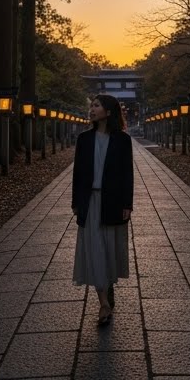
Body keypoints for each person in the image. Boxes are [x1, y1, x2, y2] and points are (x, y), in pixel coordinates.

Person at [71, 94, 134, 327]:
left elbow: (128, 174)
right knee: (94, 248)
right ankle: (103, 304)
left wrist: (128, 204)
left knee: (109, 249)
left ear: (108, 111)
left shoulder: (122, 140)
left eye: (97, 106)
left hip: (113, 201)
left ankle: (108, 287)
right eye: (91, 106)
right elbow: (78, 174)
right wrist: (76, 202)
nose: (92, 109)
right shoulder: (84, 140)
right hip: (90, 201)